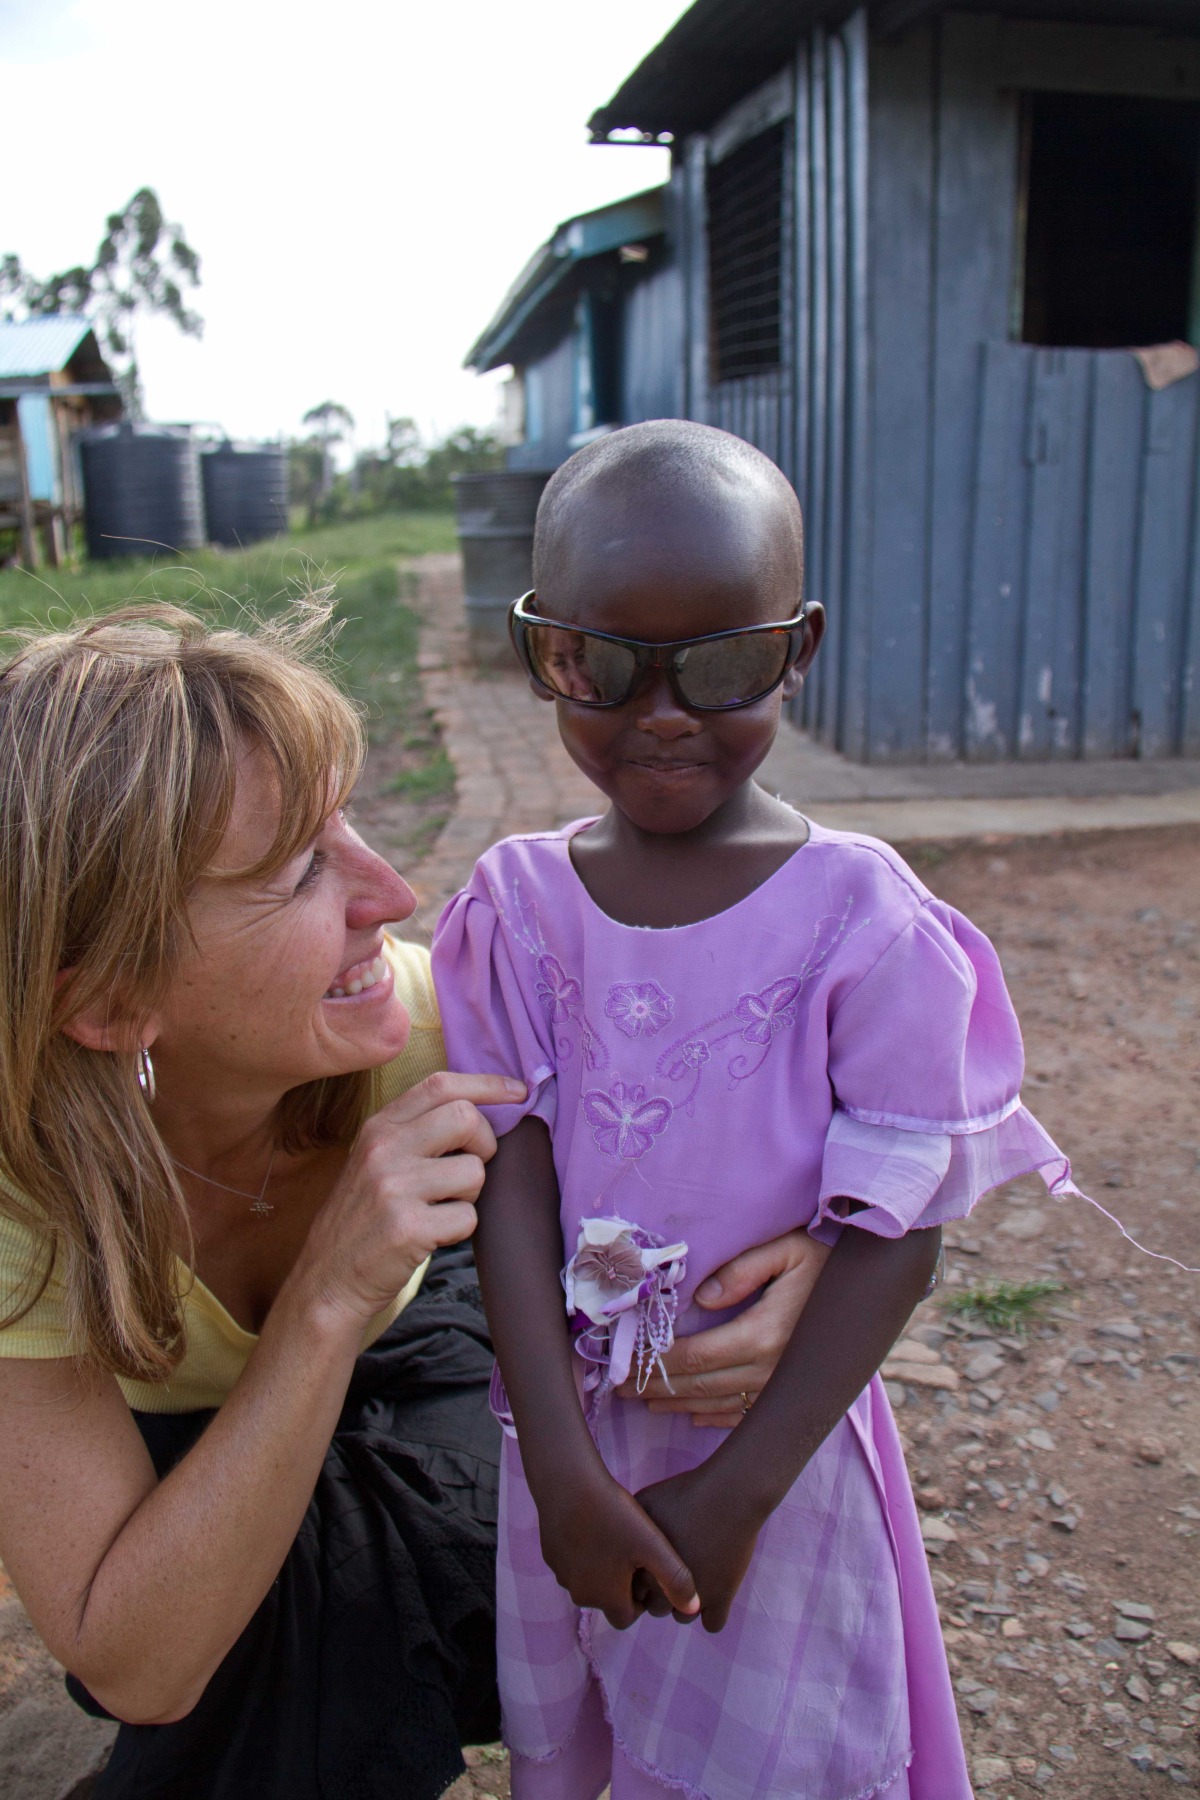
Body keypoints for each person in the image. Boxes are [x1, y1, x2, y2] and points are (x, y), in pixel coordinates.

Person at [0, 600, 826, 1800]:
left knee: (339, 1593)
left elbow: (717, 1138)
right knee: (245, 1618)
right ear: (112, 1005)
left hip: (426, 1324)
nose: (389, 894)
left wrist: (802, 1255)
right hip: (197, 1405)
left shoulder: (433, 1023)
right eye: (298, 875)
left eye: (346, 824)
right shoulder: (23, 1188)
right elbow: (134, 1663)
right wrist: (327, 1293)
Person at [431, 421, 1088, 1800]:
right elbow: (512, 1176)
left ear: (799, 646)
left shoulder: (866, 920)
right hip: (569, 1441)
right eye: (594, 663)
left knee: (775, 1757)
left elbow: (896, 1233)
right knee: (598, 1744)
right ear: (533, 645)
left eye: (722, 662)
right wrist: (557, 1469)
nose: (660, 712)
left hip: (771, 1465)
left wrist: (738, 1496)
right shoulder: (514, 909)